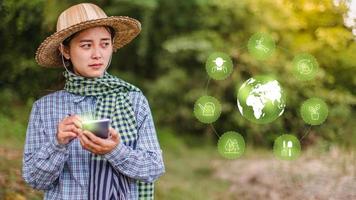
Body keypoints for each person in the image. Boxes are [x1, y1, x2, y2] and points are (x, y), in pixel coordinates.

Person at [22, 3, 165, 200]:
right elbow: (34, 180)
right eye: (86, 45)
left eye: (105, 44)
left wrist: (115, 151)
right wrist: (58, 143)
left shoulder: (133, 100)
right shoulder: (45, 108)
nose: (97, 54)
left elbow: (154, 168)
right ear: (65, 50)